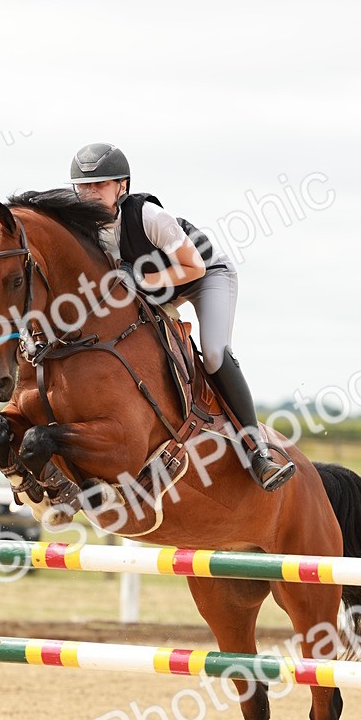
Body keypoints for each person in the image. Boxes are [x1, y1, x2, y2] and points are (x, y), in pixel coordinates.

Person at [69, 142, 294, 491]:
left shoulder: (148, 217)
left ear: (122, 186)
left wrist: (140, 279)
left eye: (100, 184)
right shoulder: (84, 230)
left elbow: (193, 267)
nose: (91, 193)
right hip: (157, 289)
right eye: (84, 186)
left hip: (205, 276)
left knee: (214, 353)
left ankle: (258, 451)